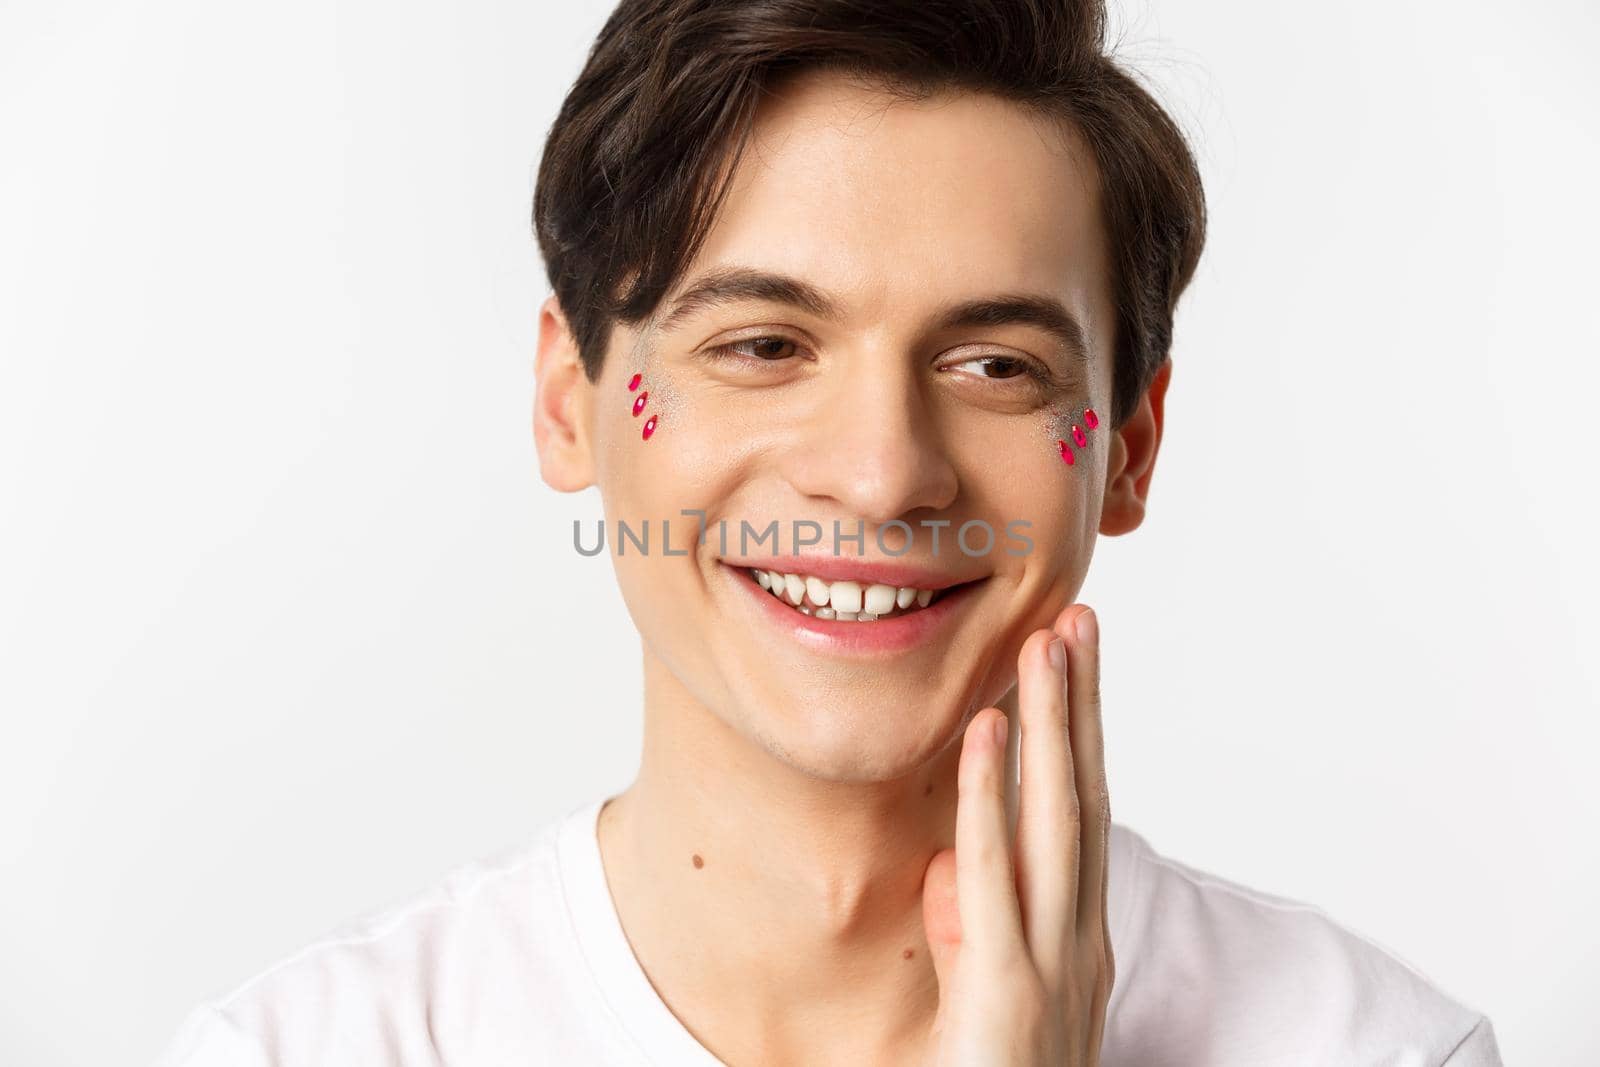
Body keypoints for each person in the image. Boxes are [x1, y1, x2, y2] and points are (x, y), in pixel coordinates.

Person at [154, 0, 1503, 1063]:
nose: (878, 477)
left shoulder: (1371, 1050)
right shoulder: (305, 1051)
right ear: (572, 403)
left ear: (1131, 447)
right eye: (762, 344)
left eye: (994, 366)